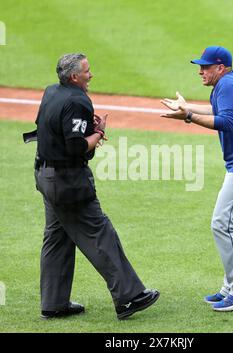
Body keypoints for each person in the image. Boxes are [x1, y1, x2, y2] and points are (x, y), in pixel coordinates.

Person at [31, 53, 159, 320]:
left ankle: (54, 304)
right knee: (100, 233)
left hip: (44, 174)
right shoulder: (78, 100)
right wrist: (99, 132)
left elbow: (46, 128)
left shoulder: (51, 91)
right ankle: (129, 297)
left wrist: (86, 128)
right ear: (75, 76)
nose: (91, 75)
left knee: (57, 237)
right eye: (87, 71)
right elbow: (77, 147)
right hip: (68, 182)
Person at [161, 46, 233, 312]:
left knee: (222, 224)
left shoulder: (226, 85)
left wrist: (187, 116)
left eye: (205, 67)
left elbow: (226, 121)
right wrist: (187, 106)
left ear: (220, 68)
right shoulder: (231, 81)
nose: (200, 71)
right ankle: (231, 287)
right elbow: (216, 108)